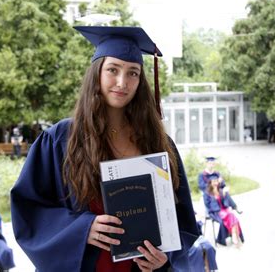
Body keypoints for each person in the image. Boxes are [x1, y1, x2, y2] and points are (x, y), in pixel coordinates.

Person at [11, 26, 200, 271]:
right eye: (113, 69)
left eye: (133, 73)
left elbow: (181, 220)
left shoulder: (157, 142)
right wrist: (81, 229)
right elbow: (29, 208)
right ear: (97, 73)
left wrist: (166, 258)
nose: (123, 82)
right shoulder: (61, 139)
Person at [204, 176, 244, 247]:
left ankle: (234, 236)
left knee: (231, 215)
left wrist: (224, 195)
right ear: (210, 183)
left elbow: (225, 204)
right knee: (231, 215)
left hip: (224, 210)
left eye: (216, 181)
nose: (215, 183)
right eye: (213, 182)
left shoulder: (220, 191)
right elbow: (208, 206)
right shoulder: (207, 194)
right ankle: (235, 237)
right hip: (216, 212)